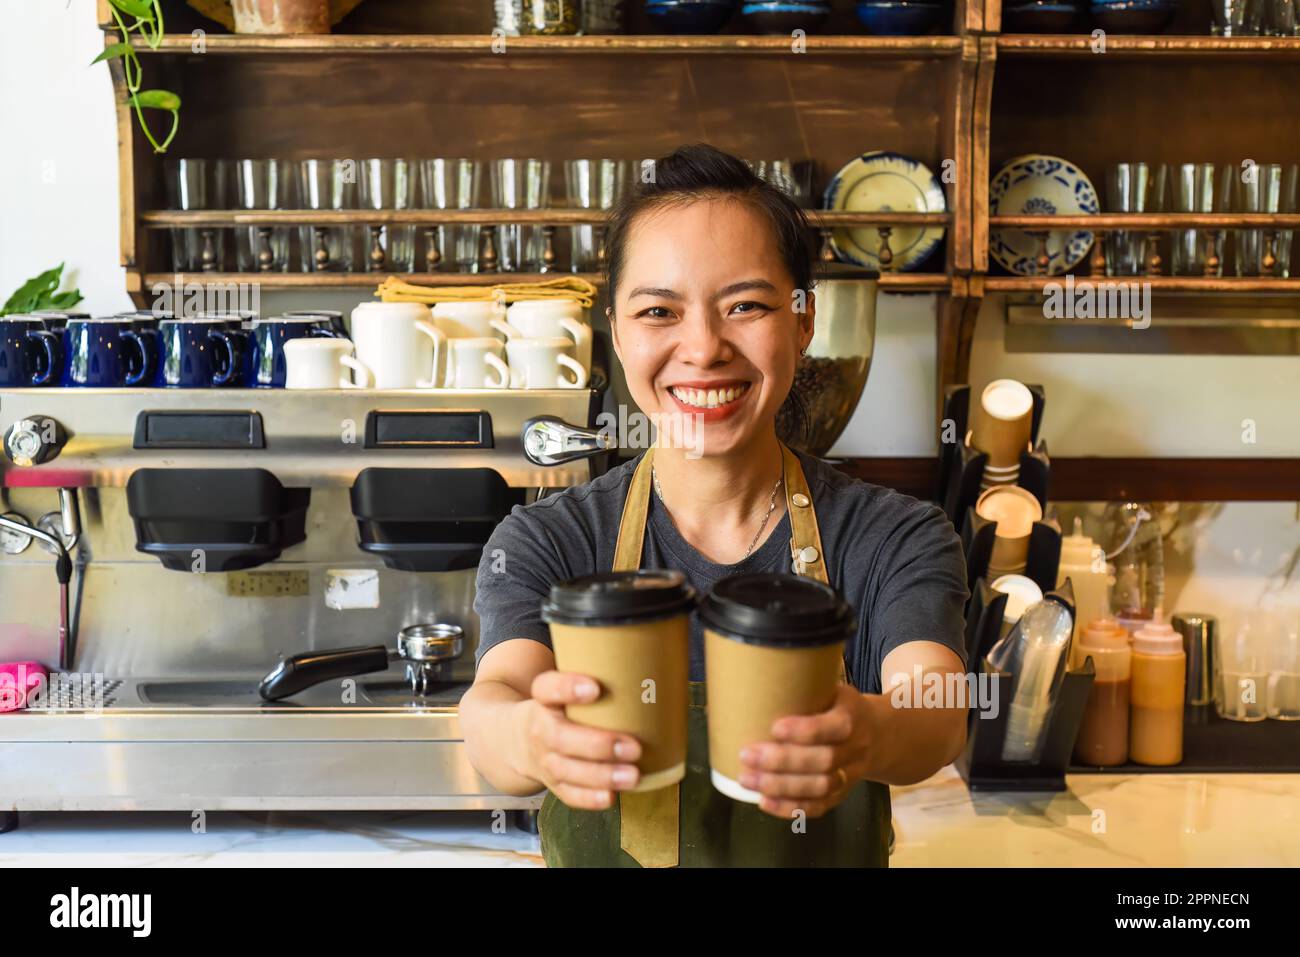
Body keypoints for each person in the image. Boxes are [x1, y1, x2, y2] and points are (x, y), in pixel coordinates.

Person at [460, 144, 969, 867]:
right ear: (617, 331)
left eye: (746, 306)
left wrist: (870, 733)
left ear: (801, 322)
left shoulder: (894, 535)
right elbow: (495, 702)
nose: (702, 347)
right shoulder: (551, 540)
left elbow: (938, 706)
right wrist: (528, 737)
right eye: (659, 310)